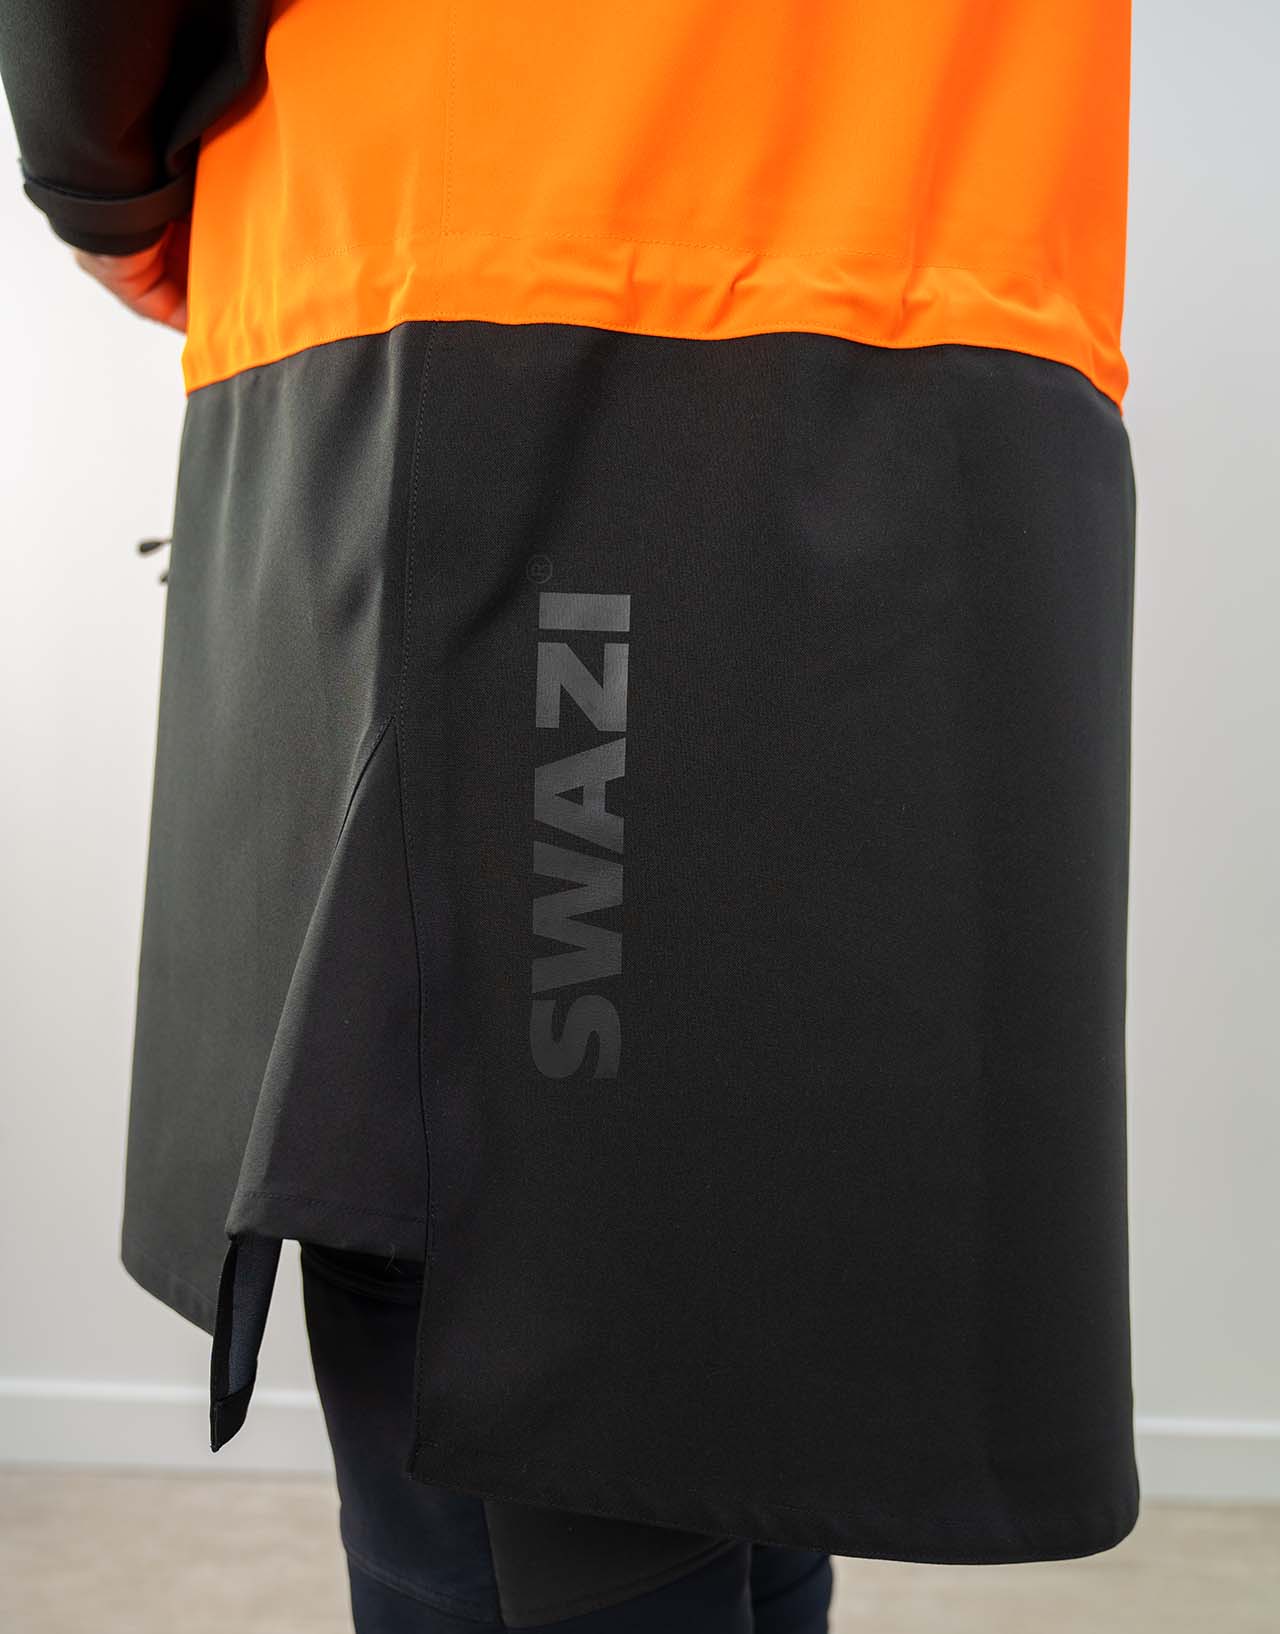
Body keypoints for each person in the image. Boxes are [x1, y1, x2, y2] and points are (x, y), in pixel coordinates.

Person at [0, 4, 1140, 1631]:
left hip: (478, 256)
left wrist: (94, 180)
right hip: (953, 292)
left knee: (507, 1323)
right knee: (731, 1302)